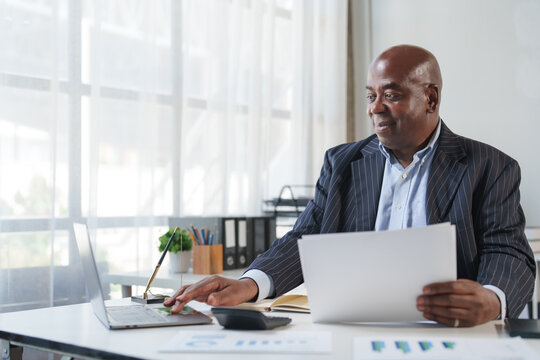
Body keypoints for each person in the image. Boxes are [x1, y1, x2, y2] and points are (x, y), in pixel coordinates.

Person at [164, 45, 536, 327]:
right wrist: (250, 283)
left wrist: (492, 299)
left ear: (431, 98)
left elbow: (508, 252)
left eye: (391, 95)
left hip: (447, 334)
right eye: (371, 96)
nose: (375, 108)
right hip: (352, 332)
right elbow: (305, 239)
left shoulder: (490, 167)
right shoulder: (342, 163)